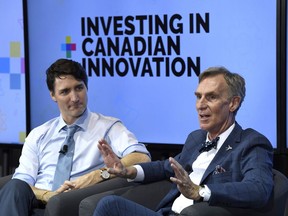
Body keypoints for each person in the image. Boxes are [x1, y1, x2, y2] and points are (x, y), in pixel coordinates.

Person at [93, 66, 274, 216]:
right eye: (198, 96)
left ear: (233, 103)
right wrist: (128, 171)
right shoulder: (196, 138)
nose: (200, 105)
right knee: (106, 204)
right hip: (167, 212)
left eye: (211, 97)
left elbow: (259, 189)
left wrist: (200, 191)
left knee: (111, 206)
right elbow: (166, 167)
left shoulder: (251, 143)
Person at [0, 58, 151, 216]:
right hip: (36, 204)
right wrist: (47, 196)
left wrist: (99, 174)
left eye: (79, 88)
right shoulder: (39, 134)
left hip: (74, 204)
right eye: (65, 92)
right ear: (53, 95)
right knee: (14, 187)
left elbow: (142, 158)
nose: (74, 98)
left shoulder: (108, 127)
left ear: (86, 87)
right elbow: (22, 182)